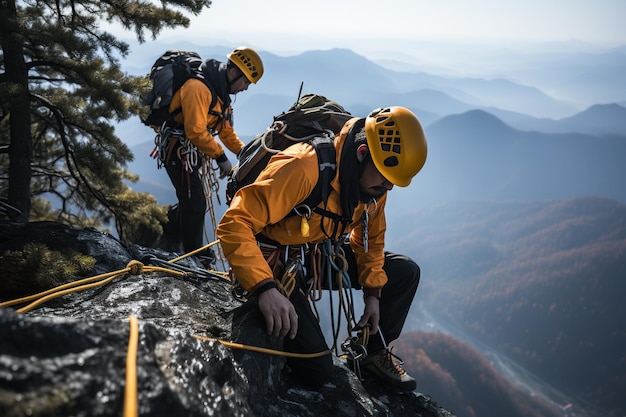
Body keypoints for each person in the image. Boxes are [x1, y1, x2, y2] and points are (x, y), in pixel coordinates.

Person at [217, 106, 428, 392]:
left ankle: (371, 351)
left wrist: (373, 294)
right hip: (274, 264)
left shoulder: (374, 187)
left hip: (316, 254)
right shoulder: (303, 166)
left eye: (393, 181)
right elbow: (235, 221)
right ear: (362, 153)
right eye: (384, 177)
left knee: (405, 272)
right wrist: (265, 288)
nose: (388, 186)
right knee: (317, 366)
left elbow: (370, 240)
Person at [160, 46, 264, 257]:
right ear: (234, 72)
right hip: (177, 150)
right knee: (196, 203)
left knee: (191, 199)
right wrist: (221, 157)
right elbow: (195, 131)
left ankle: (166, 231)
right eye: (245, 81)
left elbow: (226, 133)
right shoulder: (198, 88)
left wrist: (248, 154)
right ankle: (194, 255)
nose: (245, 88)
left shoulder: (221, 95)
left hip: (188, 152)